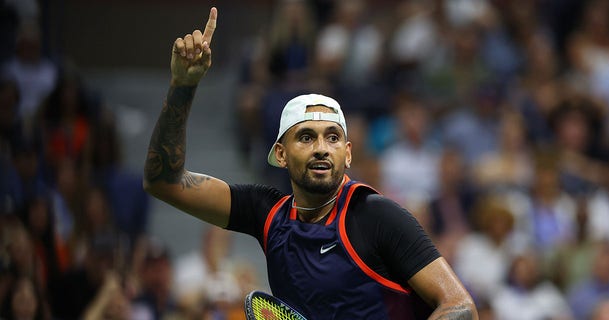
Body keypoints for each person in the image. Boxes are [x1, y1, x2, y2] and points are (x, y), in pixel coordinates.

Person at [143, 7, 477, 319]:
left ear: (347, 154)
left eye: (332, 138)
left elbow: (460, 307)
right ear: (281, 153)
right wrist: (183, 87)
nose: (321, 148)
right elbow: (163, 181)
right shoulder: (267, 213)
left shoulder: (377, 217)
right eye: (306, 137)